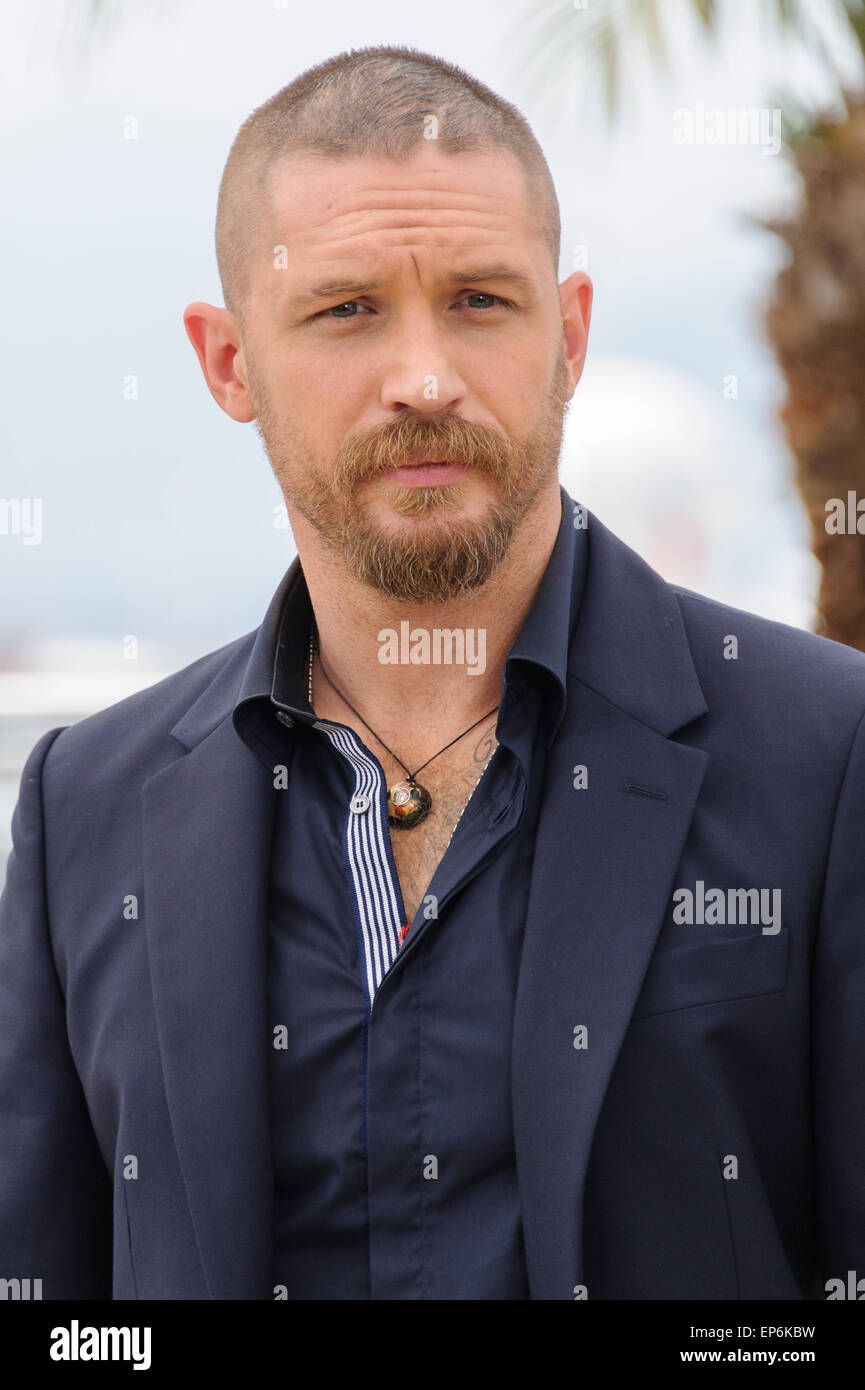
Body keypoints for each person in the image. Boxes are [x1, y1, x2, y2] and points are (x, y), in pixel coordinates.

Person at [1, 44, 863, 1302]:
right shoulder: (85, 805)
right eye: (346, 308)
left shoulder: (827, 754)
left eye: (478, 300)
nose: (424, 380)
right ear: (227, 360)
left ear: (567, 333)